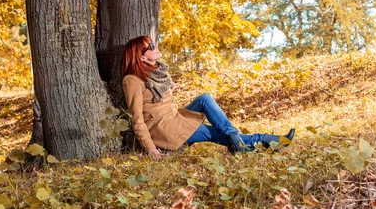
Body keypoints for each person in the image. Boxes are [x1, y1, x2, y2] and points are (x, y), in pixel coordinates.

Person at [122, 35, 295, 160]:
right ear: (142, 57)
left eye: (153, 43)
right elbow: (137, 120)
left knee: (204, 98)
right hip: (165, 129)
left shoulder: (158, 73)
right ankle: (268, 141)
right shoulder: (132, 80)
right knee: (217, 134)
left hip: (175, 118)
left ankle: (236, 139)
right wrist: (151, 149)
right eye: (150, 46)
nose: (155, 46)